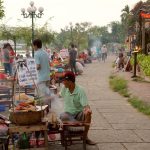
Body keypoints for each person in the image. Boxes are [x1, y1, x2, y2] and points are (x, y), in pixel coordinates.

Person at [60, 71, 96, 145]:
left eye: (64, 81)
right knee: (63, 115)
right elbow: (59, 95)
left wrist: (88, 110)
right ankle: (74, 127)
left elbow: (86, 105)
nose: (63, 82)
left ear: (70, 81)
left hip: (78, 114)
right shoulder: (64, 88)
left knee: (88, 114)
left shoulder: (80, 90)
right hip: (67, 114)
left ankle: (85, 137)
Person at [33, 39, 51, 107]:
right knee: (46, 94)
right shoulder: (45, 53)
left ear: (36, 45)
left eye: (33, 46)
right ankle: (48, 107)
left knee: (41, 96)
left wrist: (34, 68)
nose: (33, 47)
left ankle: (42, 109)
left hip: (41, 77)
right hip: (47, 76)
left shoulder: (37, 54)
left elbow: (38, 66)